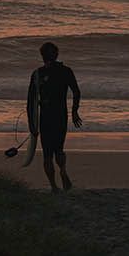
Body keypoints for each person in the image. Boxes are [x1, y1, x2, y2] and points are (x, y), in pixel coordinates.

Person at [27, 41, 82, 192]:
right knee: (59, 149)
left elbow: (30, 102)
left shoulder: (37, 74)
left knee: (47, 154)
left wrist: (32, 125)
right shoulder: (66, 71)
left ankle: (53, 186)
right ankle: (63, 171)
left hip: (45, 118)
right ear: (57, 54)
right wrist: (74, 111)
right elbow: (76, 92)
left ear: (42, 56)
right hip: (60, 117)